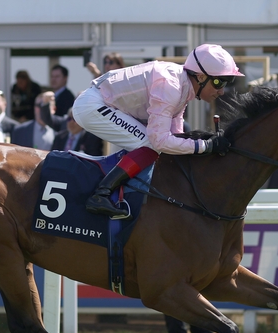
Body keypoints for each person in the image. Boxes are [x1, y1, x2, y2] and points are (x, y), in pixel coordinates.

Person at [72, 43, 242, 219]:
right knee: (150, 144)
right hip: (92, 106)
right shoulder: (171, 86)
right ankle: (101, 195)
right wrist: (206, 146)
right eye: (218, 82)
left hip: (102, 102)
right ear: (199, 77)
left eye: (226, 83)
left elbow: (176, 137)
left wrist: (204, 147)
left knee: (155, 145)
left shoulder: (182, 86)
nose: (221, 91)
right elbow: (159, 141)